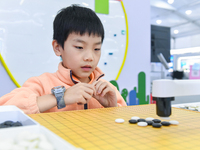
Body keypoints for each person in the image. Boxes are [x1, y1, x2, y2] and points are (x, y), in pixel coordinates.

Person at [0, 5, 127, 114]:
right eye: (79, 47)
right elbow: (5, 109)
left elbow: (126, 126)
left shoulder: (106, 89)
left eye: (97, 49)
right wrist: (60, 97)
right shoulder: (41, 84)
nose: (90, 57)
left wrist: (112, 108)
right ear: (57, 48)